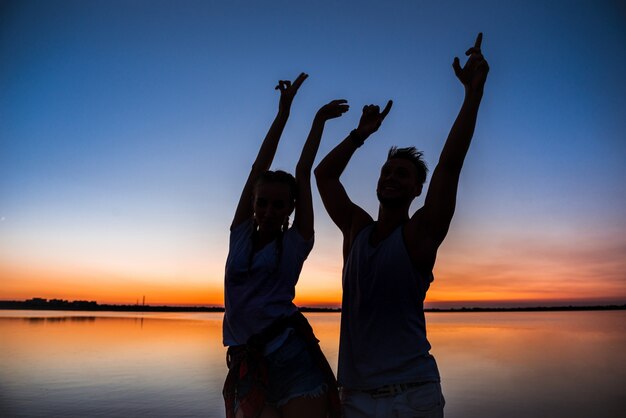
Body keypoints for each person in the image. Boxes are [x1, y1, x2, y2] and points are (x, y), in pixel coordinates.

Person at [314, 34, 489, 417]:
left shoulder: (418, 236)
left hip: (414, 396)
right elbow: (324, 176)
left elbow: (450, 164)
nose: (392, 177)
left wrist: (472, 97)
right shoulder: (355, 231)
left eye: (403, 174)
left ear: (417, 189)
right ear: (378, 183)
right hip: (355, 398)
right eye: (387, 171)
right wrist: (360, 135)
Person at [222, 72, 347, 418]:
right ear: (254, 202)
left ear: (291, 208)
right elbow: (258, 165)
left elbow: (303, 170)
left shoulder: (296, 243)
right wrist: (284, 113)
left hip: (292, 358)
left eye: (279, 205)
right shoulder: (241, 233)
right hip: (247, 361)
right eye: (262, 203)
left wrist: (319, 120)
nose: (268, 210)